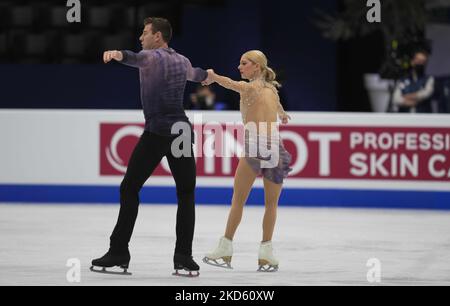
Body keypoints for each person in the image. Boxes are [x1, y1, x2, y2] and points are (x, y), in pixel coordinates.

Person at [91, 17, 210, 277]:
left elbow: (132, 57)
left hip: (158, 132)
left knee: (129, 188)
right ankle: (184, 257)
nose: (141, 38)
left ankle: (119, 251)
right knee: (186, 194)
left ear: (158, 37)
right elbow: (197, 74)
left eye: (145, 33)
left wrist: (116, 53)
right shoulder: (182, 60)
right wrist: (207, 76)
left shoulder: (151, 56)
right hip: (181, 131)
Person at [202, 50, 292, 272]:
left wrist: (213, 77)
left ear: (258, 67)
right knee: (271, 204)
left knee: (238, 201)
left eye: (244, 63)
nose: (240, 67)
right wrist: (282, 114)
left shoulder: (250, 88)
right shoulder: (272, 89)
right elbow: (277, 105)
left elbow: (231, 84)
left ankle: (225, 247)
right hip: (275, 148)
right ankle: (266, 253)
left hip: (255, 147)